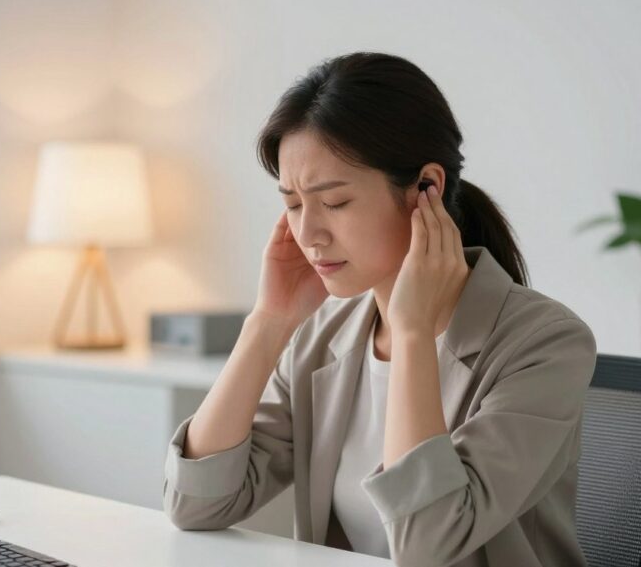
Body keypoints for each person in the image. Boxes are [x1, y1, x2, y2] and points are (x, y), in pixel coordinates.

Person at [162, 51, 597, 567]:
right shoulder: (323, 338)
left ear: (425, 189)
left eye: (335, 202)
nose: (308, 234)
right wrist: (268, 323)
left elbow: (426, 546)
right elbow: (195, 503)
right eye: (293, 204)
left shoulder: (546, 343)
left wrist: (412, 333)